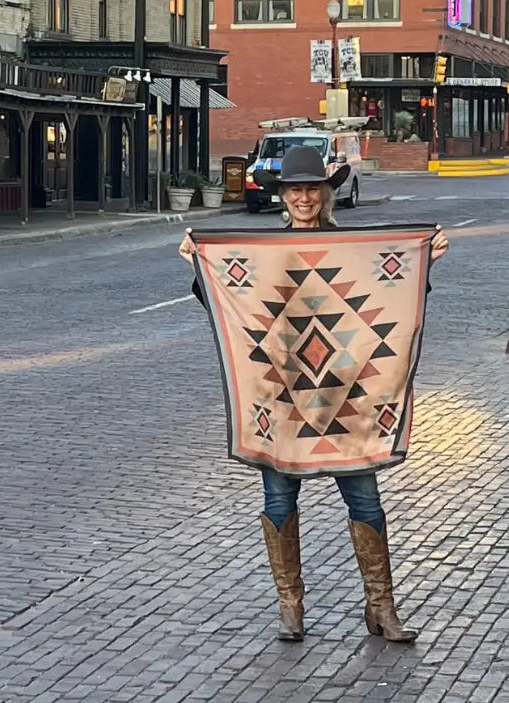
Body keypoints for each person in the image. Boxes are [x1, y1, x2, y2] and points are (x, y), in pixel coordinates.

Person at [180, 145, 448, 643]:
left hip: (348, 395)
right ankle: (291, 607)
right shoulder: (265, 254)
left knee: (365, 501)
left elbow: (393, 306)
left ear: (325, 193)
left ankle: (381, 607)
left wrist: (421, 264)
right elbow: (231, 307)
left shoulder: (356, 250)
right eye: (294, 190)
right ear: (282, 197)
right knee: (279, 499)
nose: (303, 198)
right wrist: (200, 268)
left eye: (311, 189)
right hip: (282, 393)